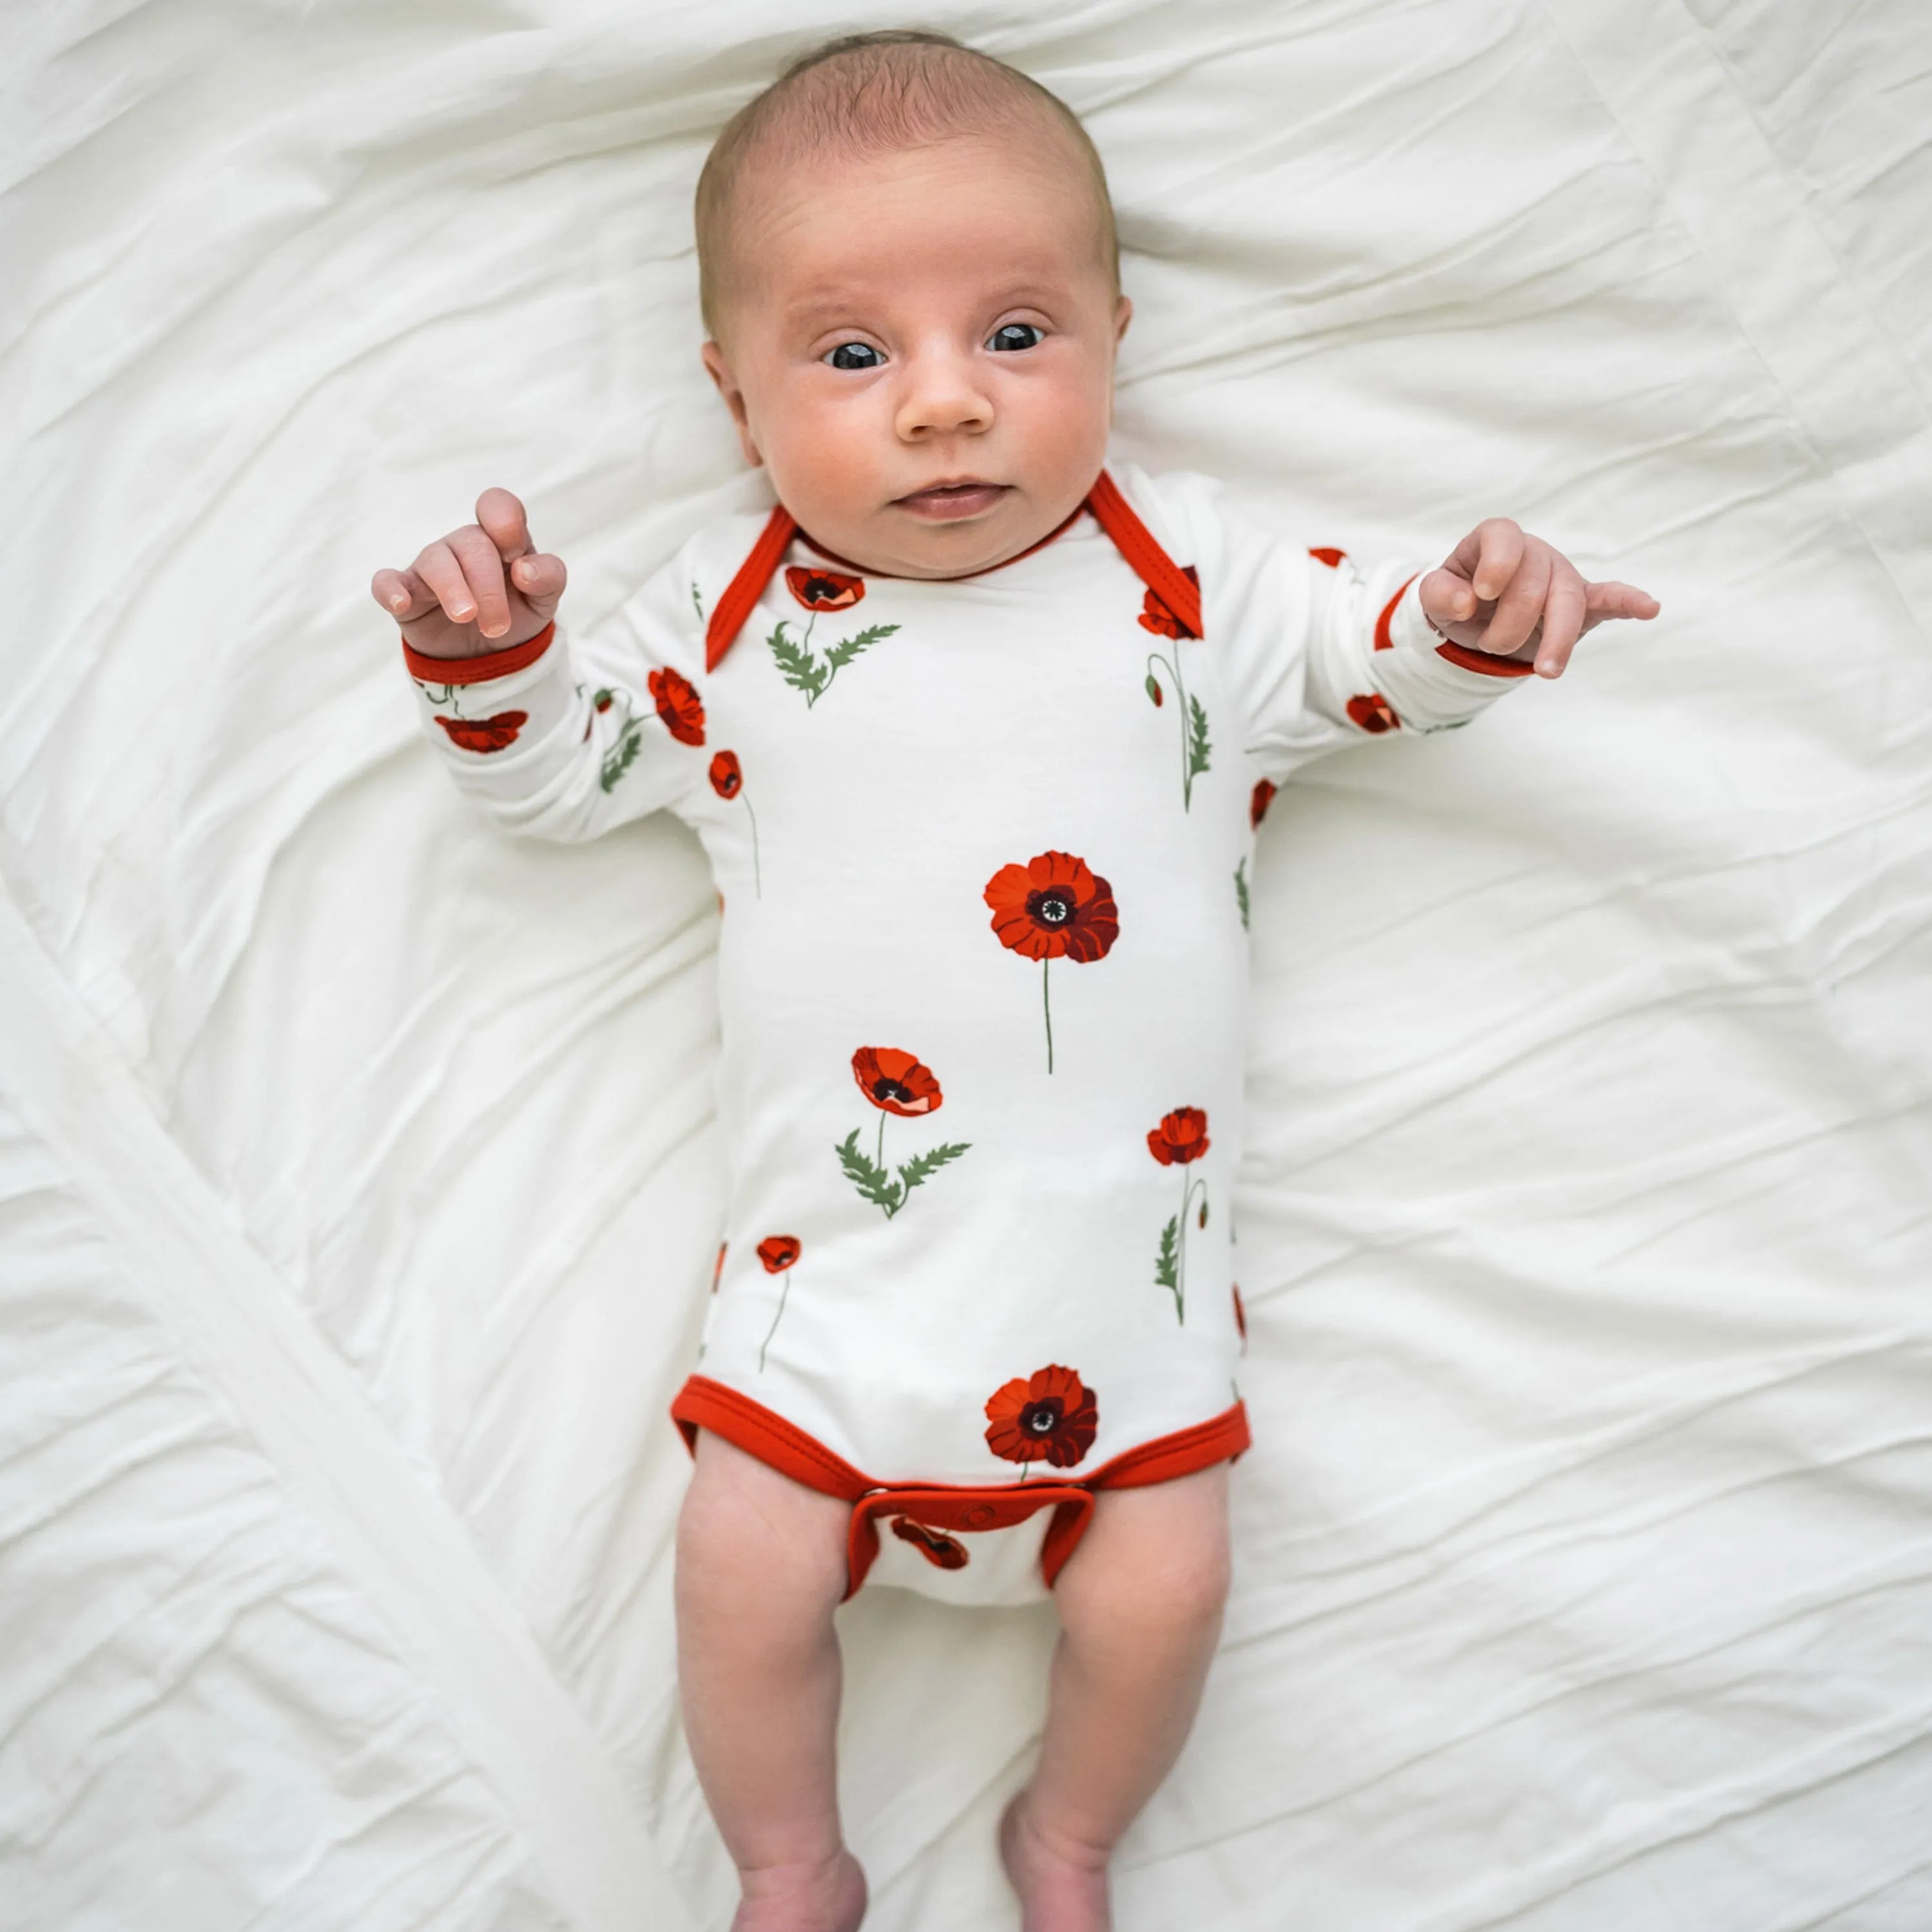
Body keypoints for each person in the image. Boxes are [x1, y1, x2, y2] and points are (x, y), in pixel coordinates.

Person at [370, 31, 1658, 1932]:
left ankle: (1066, 1837)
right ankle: (795, 1860)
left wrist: (1471, 622)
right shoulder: (720, 628)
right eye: (853, 354)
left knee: (1166, 1592)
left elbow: (1369, 662)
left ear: (1118, 341)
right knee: (741, 1571)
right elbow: (559, 782)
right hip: (830, 1318)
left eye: (1019, 337)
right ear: (737, 401)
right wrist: (494, 661)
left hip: (1128, 1326)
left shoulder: (1190, 582)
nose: (946, 408)